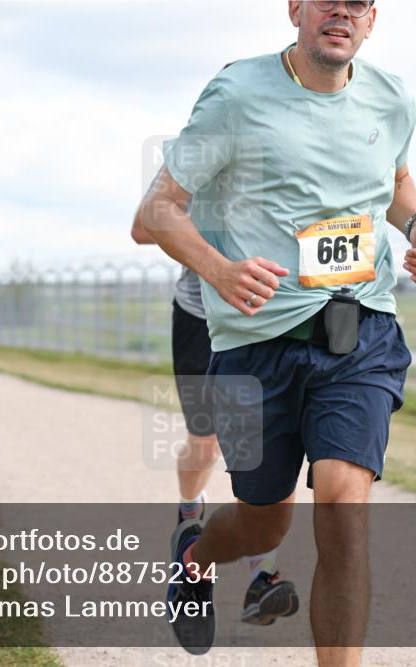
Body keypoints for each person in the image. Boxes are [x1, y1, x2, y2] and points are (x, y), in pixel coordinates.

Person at [136, 2, 416, 663]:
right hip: (257, 347)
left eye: (358, 1)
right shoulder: (237, 94)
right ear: (295, 10)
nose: (342, 9)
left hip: (359, 330)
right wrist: (218, 269)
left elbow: (395, 180)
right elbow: (155, 212)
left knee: (343, 514)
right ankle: (193, 557)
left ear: (371, 18)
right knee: (261, 523)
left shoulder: (393, 97)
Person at [132, 178, 299, 626]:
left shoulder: (285, 152)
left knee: (257, 448)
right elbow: (141, 228)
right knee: (204, 442)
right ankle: (189, 515)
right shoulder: (193, 157)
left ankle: (262, 575)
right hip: (199, 316)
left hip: (263, 320)